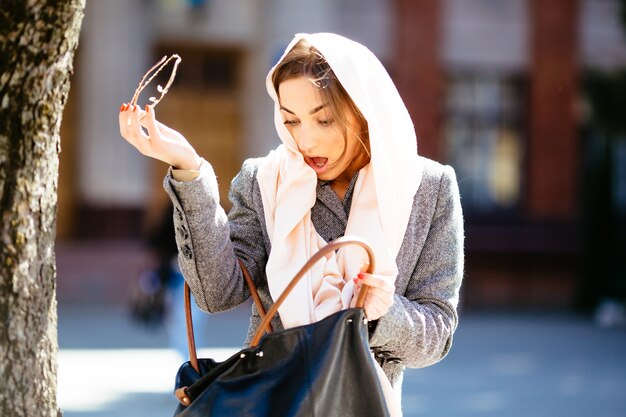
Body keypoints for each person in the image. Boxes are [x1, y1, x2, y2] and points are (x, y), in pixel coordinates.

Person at [119, 32, 464, 415]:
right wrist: (190, 172)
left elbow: (437, 333)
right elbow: (217, 293)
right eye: (292, 121)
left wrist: (386, 311)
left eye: (324, 119)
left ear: (363, 110)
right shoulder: (265, 180)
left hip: (363, 403)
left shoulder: (428, 188)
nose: (307, 140)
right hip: (272, 402)